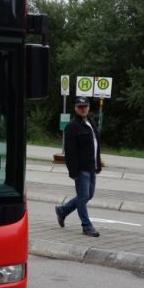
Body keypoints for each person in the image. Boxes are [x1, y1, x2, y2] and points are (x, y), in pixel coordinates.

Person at [55, 96, 103, 237]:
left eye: (85, 106)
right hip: (81, 169)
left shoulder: (91, 122)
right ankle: (86, 226)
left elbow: (96, 146)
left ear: (88, 107)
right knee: (83, 197)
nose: (83, 109)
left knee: (88, 195)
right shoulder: (72, 126)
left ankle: (63, 211)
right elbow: (70, 151)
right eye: (80, 107)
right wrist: (73, 171)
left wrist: (98, 164)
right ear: (75, 108)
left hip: (91, 166)